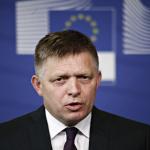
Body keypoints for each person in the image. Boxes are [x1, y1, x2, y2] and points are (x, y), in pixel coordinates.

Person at [0, 30, 149, 150]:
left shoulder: (139, 139)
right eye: (60, 79)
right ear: (38, 85)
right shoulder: (5, 139)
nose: (74, 90)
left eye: (84, 77)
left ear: (97, 80)